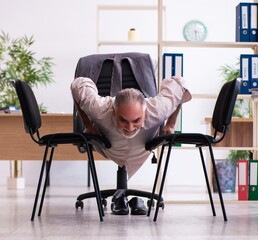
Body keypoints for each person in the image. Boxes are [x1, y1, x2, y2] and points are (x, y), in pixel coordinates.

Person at [71, 75, 192, 215]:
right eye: (123, 120)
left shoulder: (157, 109)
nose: (129, 127)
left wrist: (171, 124)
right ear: (113, 112)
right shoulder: (99, 108)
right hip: (109, 148)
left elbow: (179, 85)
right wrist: (88, 124)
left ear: (145, 113)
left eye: (136, 120)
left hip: (142, 148)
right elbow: (77, 85)